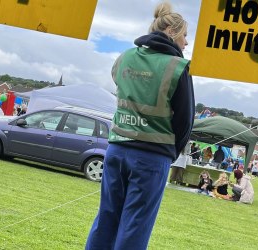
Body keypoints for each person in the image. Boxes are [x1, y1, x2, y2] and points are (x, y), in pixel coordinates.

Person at [85, 2, 195, 250]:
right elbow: (185, 121)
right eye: (185, 35)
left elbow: (120, 87)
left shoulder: (124, 58)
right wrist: (169, 152)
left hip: (116, 150)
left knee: (106, 219)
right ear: (171, 32)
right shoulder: (177, 67)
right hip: (152, 158)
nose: (186, 43)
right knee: (135, 226)